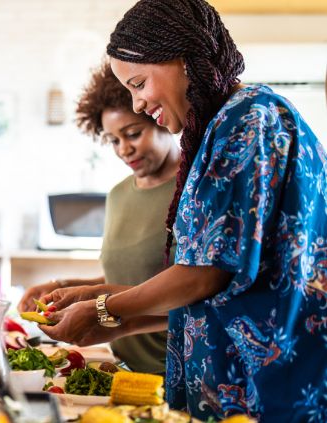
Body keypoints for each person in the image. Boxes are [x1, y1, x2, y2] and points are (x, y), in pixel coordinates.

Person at [39, 0, 327, 421]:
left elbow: (206, 273)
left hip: (265, 397)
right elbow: (208, 293)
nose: (137, 104)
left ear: (182, 59)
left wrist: (104, 308)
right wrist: (105, 309)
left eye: (139, 83)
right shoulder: (222, 126)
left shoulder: (248, 120)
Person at [17, 61, 179, 375]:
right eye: (113, 140)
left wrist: (94, 301)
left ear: (159, 117)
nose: (124, 149)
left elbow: (193, 288)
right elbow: (130, 276)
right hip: (122, 368)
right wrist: (62, 288)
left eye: (133, 133)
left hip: (173, 371)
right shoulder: (119, 194)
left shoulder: (190, 188)